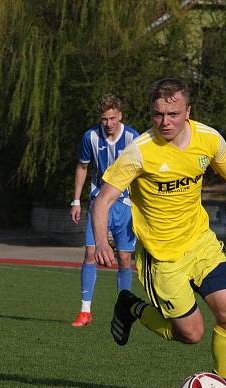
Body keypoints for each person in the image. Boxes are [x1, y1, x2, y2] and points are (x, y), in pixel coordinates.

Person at [92, 78, 226, 388]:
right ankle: (131, 306)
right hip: (162, 256)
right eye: (158, 114)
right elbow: (103, 200)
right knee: (191, 334)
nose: (165, 122)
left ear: (187, 111)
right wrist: (100, 242)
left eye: (173, 114)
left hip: (200, 243)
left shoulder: (209, 140)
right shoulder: (140, 151)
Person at [69, 94, 139, 327]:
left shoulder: (132, 137)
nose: (108, 123)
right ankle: (85, 311)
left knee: (125, 258)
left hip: (126, 204)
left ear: (120, 115)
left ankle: (124, 310)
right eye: (104, 119)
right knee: (90, 254)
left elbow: (143, 172)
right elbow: (82, 166)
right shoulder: (90, 137)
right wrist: (76, 201)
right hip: (99, 201)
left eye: (112, 118)